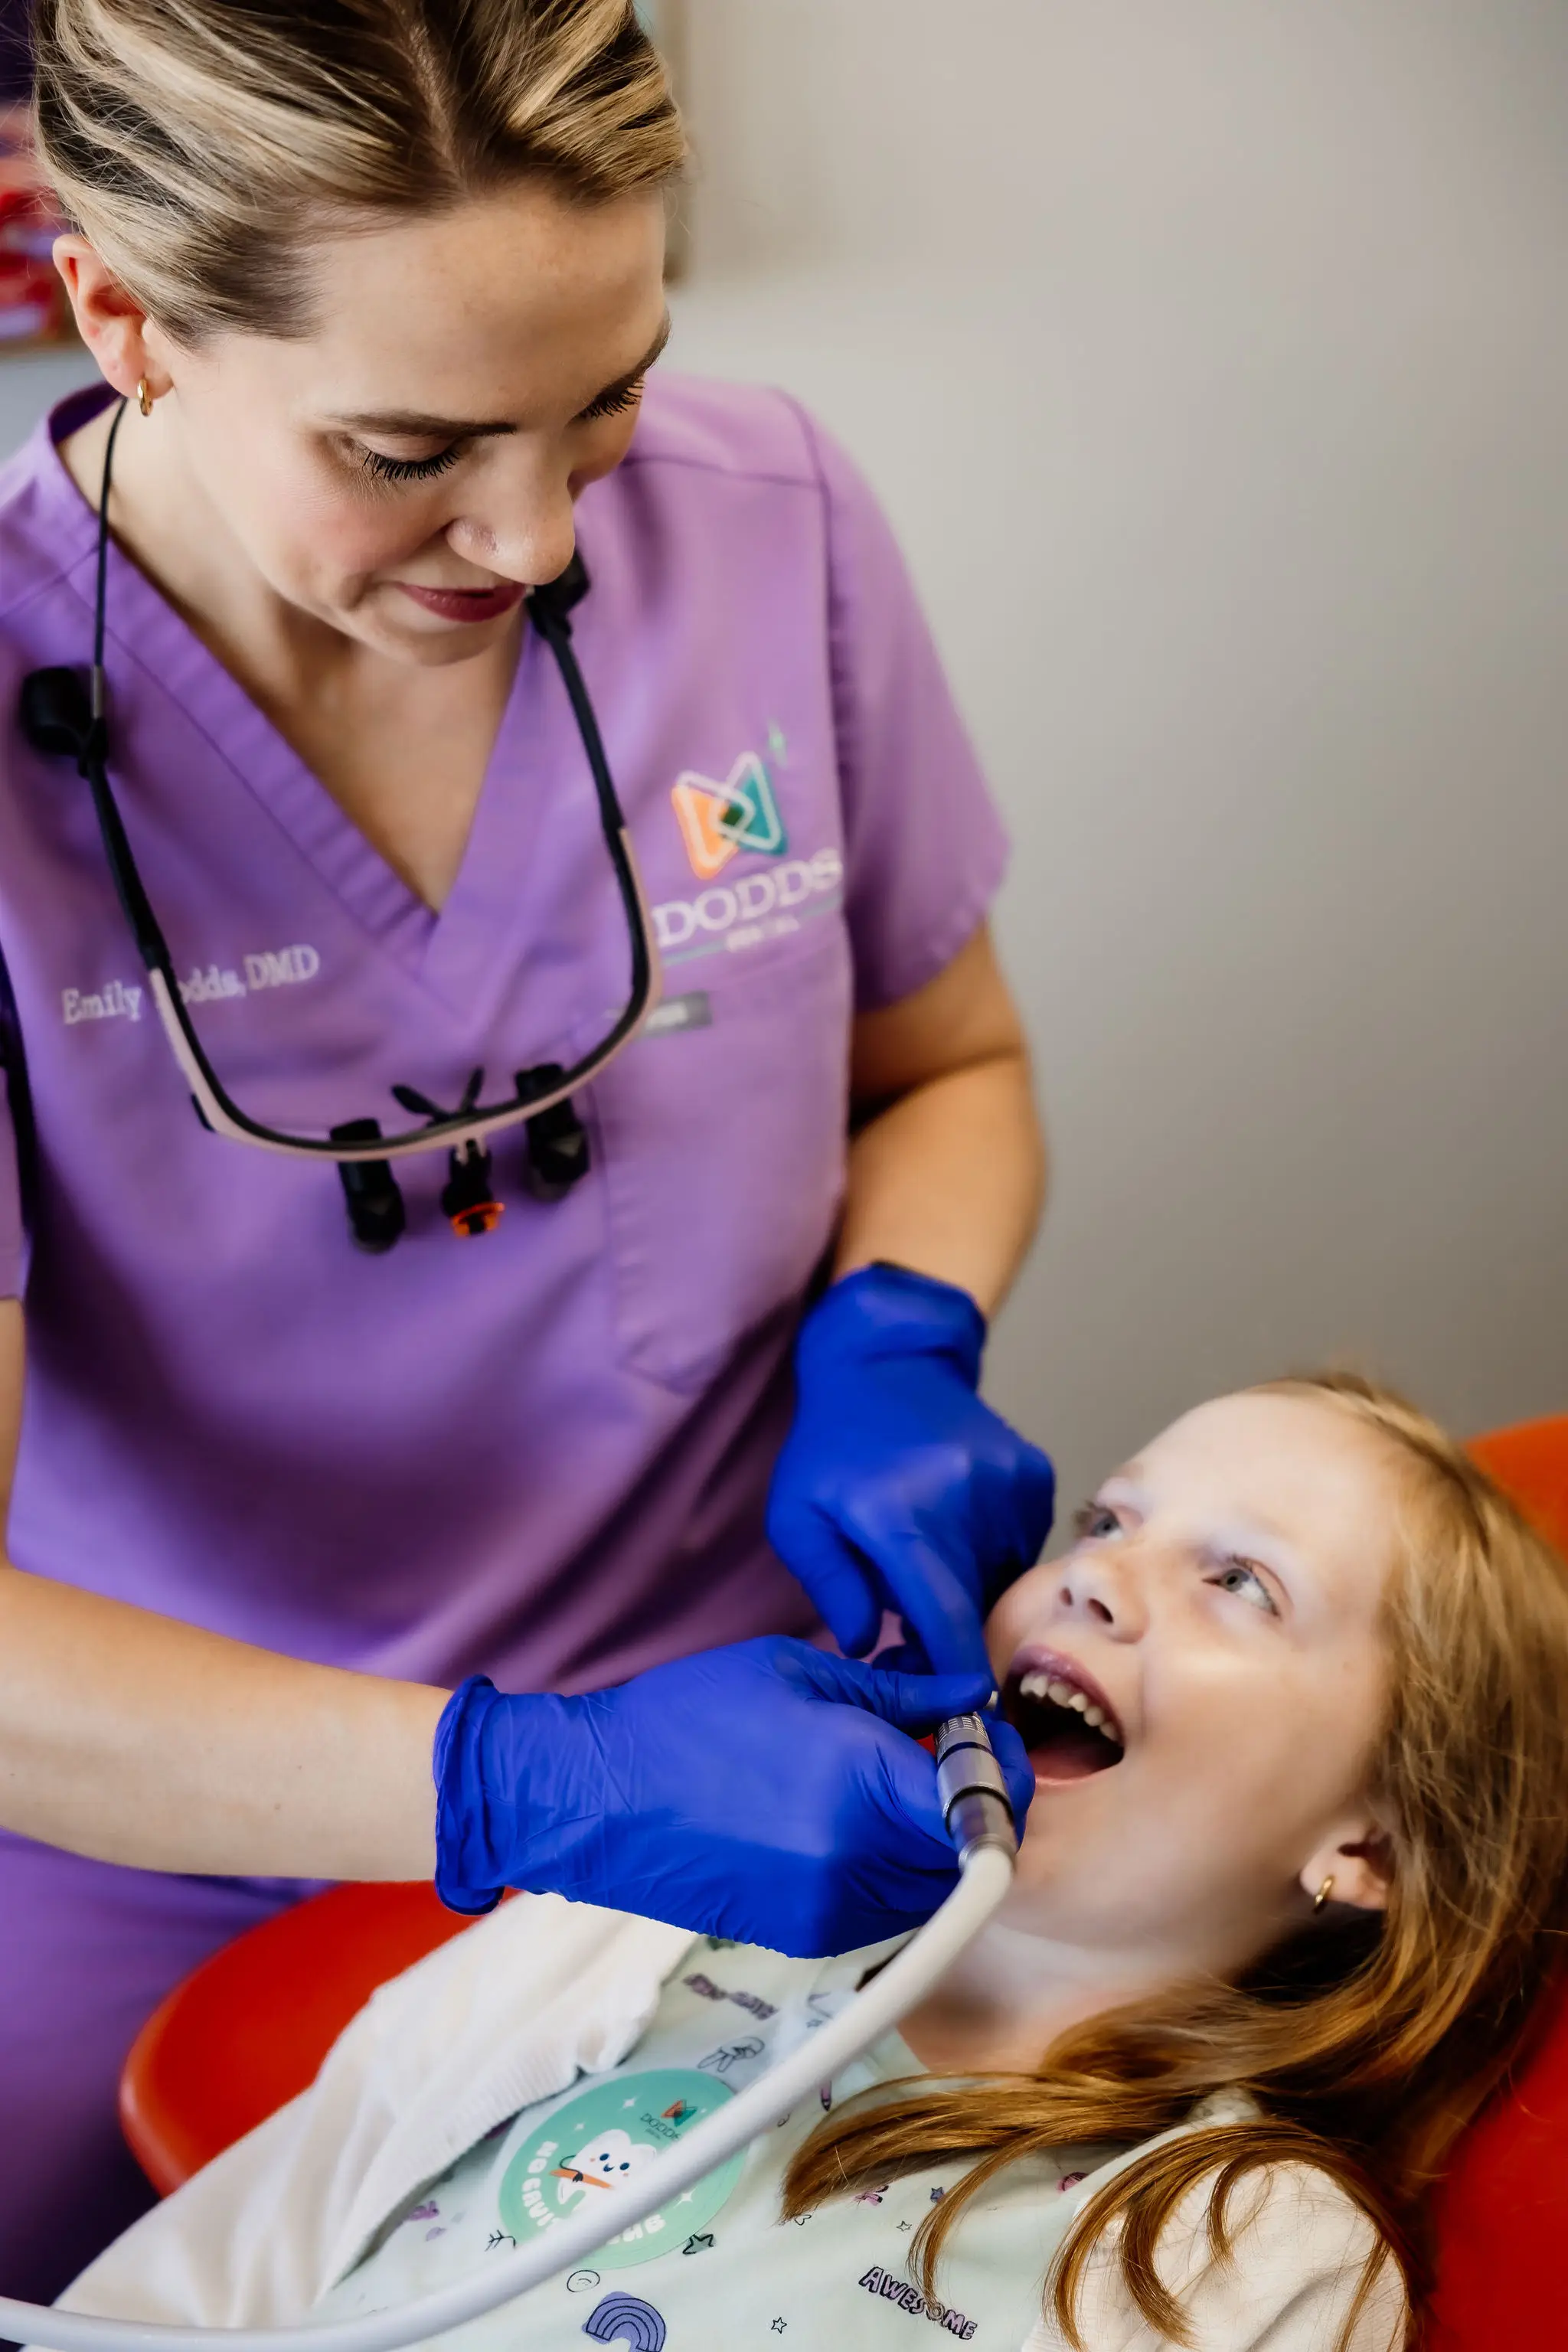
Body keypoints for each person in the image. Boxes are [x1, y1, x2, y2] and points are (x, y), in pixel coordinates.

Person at [0, 0, 1057, 2298]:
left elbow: (949, 1065)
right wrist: (526, 1790)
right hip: (158, 1816)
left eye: (606, 402)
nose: (544, 531)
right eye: (412, 446)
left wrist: (902, 1327)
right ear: (122, 318)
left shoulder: (768, 518)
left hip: (770, 1711)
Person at [52, 1373, 1568, 2351]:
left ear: (1368, 1846)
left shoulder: (1240, 2238)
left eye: (1238, 1582)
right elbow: (225, 2267)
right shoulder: (637, 1931)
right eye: (1108, 1517)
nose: (1096, 1574)